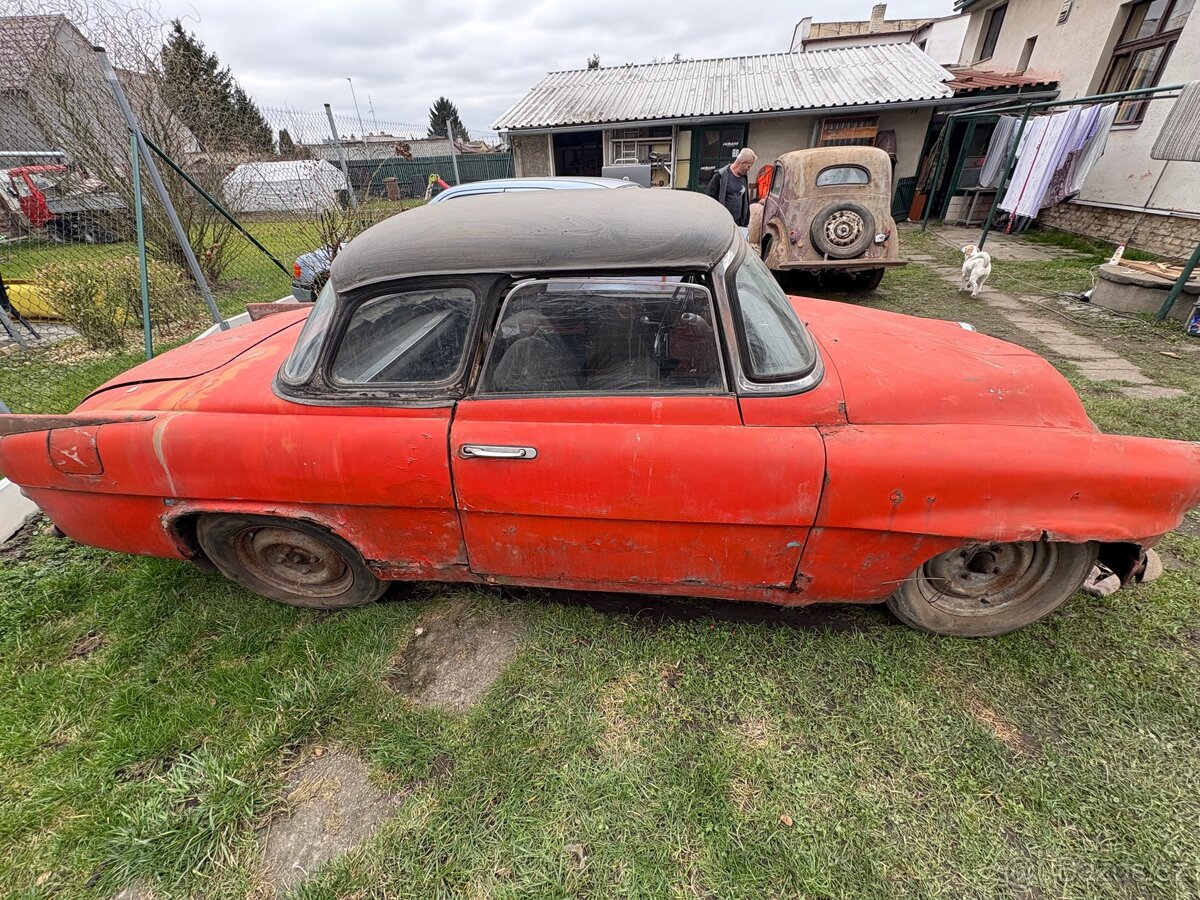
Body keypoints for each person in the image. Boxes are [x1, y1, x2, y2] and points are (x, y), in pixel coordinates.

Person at [706, 148, 757, 227]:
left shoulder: (743, 177)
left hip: (738, 224)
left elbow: (745, 200)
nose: (749, 169)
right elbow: (709, 198)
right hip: (723, 224)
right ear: (742, 163)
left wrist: (745, 221)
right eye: (748, 166)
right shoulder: (720, 175)